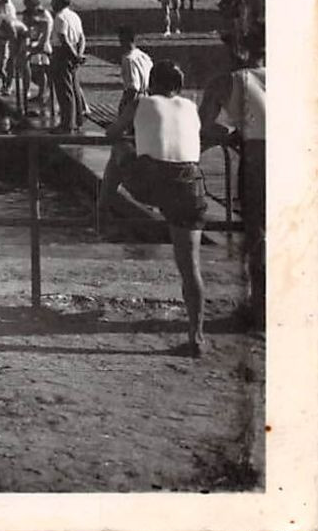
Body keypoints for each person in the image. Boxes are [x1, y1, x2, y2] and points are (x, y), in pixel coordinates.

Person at [105, 60, 209, 356]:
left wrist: (134, 134)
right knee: (190, 267)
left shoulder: (140, 101)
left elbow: (111, 134)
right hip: (192, 183)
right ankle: (197, 335)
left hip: (153, 183)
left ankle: (102, 210)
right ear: (179, 86)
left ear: (151, 83)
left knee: (120, 150)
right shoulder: (190, 106)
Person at [198, 26, 265, 328]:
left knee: (258, 232)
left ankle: (261, 308)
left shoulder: (228, 81)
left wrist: (230, 134)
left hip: (258, 158)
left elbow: (204, 124)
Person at [98, 26, 154, 211]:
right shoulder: (144, 56)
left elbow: (132, 88)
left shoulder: (128, 60)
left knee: (124, 143)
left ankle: (107, 198)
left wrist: (124, 110)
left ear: (124, 40)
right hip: (150, 99)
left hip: (135, 101)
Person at [47, 0, 86, 133]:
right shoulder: (74, 16)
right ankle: (78, 120)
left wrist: (74, 56)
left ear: (59, 2)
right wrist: (79, 54)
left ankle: (67, 124)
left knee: (64, 90)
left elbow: (64, 39)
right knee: (74, 88)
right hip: (74, 51)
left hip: (62, 54)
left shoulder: (60, 17)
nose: (51, 4)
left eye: (53, 1)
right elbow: (82, 37)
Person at [20, 0, 52, 115]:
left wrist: (34, 22)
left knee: (42, 70)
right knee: (35, 70)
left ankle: (43, 94)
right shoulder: (32, 14)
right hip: (35, 44)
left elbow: (45, 29)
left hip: (43, 45)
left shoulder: (44, 15)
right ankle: (40, 93)